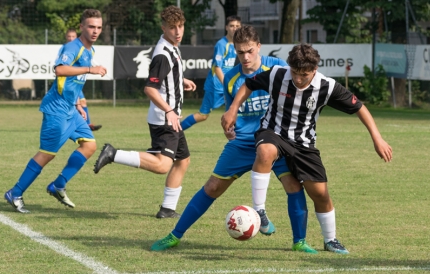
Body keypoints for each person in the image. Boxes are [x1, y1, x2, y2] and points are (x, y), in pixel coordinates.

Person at [151, 25, 317, 254]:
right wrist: (229, 129)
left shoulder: (277, 67)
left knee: (292, 185)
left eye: (249, 51)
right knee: (212, 186)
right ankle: (174, 235)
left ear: (259, 47)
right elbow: (232, 113)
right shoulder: (231, 78)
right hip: (244, 142)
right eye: (240, 52)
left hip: (275, 141)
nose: (245, 57)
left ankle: (299, 242)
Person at [221, 43, 393, 254]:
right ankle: (260, 211)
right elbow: (248, 84)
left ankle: (330, 240)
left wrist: (377, 138)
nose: (298, 78)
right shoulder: (277, 75)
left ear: (315, 70)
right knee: (265, 151)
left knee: (320, 194)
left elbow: (359, 107)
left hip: (303, 144)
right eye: (295, 72)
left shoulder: (327, 87)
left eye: (304, 74)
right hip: (272, 132)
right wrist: (232, 109)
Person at [92, 6, 196, 219]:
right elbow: (150, 88)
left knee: (182, 160)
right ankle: (114, 153)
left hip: (172, 117)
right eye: (172, 28)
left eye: (181, 26)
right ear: (163, 27)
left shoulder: (173, 46)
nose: (178, 31)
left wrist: (180, 81)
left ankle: (167, 208)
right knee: (162, 165)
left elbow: (166, 78)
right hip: (165, 119)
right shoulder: (162, 54)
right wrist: (168, 109)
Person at [4, 9, 107, 213]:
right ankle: (15, 193)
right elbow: (59, 70)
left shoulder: (90, 51)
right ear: (81, 27)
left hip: (71, 109)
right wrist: (90, 69)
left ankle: (58, 185)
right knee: (47, 154)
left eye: (99, 27)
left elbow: (72, 82)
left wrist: (78, 104)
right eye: (91, 26)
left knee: (90, 145)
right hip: (56, 110)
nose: (95, 31)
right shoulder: (73, 47)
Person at [180, 16, 241, 130]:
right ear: (226, 27)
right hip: (216, 86)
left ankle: (241, 141)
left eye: (237, 26)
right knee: (203, 115)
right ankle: (176, 131)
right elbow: (217, 68)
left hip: (226, 85)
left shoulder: (236, 44)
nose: (235, 29)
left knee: (237, 110)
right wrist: (226, 84)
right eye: (232, 26)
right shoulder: (222, 44)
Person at [65, 28, 102, 131]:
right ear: (66, 38)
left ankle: (86, 125)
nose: (71, 38)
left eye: (73, 36)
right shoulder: (67, 50)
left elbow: (88, 59)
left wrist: (96, 66)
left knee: (82, 102)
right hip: (68, 83)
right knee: (71, 106)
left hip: (76, 83)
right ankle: (79, 125)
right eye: (69, 36)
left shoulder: (80, 48)